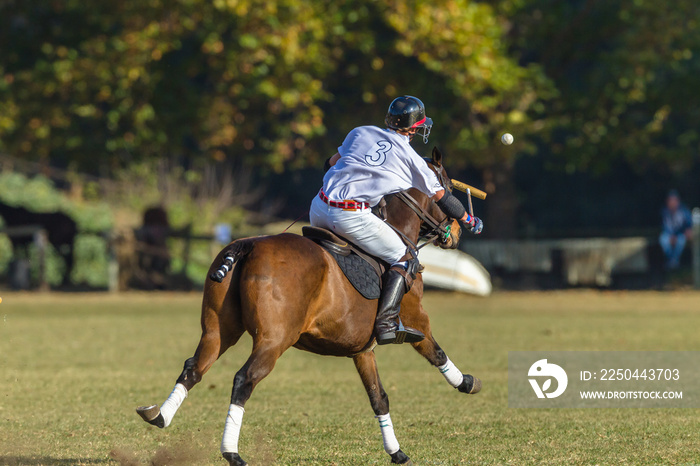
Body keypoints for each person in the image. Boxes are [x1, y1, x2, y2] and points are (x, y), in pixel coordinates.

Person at [309, 95, 482, 345]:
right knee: (405, 257)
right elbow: (443, 199)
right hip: (348, 215)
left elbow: (330, 164)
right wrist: (469, 219)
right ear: (414, 128)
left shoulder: (361, 132)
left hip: (318, 206)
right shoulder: (413, 161)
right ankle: (387, 322)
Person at [659, 190, 693, 270]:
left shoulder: (684, 211)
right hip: (669, 234)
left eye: (674, 200)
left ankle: (674, 261)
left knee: (681, 241)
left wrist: (688, 231)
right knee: (663, 240)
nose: (672, 203)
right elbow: (665, 226)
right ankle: (672, 260)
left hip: (681, 234)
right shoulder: (665, 212)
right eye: (670, 200)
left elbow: (689, 224)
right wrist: (671, 235)